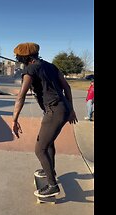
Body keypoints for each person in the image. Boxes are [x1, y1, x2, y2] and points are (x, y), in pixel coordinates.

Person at [11, 42, 78, 198]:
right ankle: (50, 170)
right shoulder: (51, 66)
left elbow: (21, 96)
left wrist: (14, 120)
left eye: (18, 57)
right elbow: (66, 87)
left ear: (23, 57)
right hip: (62, 108)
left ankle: (52, 186)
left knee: (39, 149)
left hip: (54, 111)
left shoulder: (29, 70)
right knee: (48, 143)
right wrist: (71, 109)